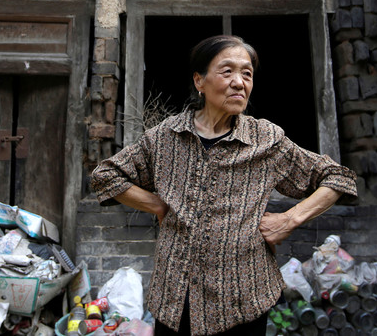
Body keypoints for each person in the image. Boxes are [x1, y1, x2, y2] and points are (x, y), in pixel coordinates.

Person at [91, 35, 358, 336]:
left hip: (243, 302)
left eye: (247, 74)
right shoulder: (165, 137)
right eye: (227, 71)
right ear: (199, 81)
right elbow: (105, 176)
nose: (239, 82)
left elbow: (338, 177)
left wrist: (290, 219)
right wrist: (156, 204)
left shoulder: (265, 139)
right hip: (175, 299)